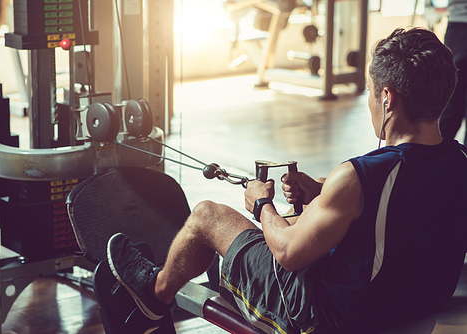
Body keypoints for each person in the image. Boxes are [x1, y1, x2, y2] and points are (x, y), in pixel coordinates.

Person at [106, 27, 467, 333]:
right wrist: (323, 192)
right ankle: (224, 275)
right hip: (409, 315)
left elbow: (288, 253)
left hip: (325, 319)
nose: (370, 102)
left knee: (208, 217)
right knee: (299, 223)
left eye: (372, 92)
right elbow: (410, 206)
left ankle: (153, 295)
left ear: (387, 98)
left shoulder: (358, 175)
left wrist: (262, 203)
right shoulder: (460, 163)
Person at [439, 0, 467, 144]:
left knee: (451, 100)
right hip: (459, 23)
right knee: (451, 99)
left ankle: (433, 160)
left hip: (458, 25)